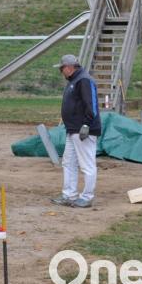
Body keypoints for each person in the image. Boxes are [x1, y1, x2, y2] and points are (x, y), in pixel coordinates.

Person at [51, 54, 102, 208]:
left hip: (83, 130)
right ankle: (69, 195)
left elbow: (91, 104)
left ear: (68, 67)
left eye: (61, 68)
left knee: (87, 164)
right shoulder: (74, 80)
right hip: (72, 130)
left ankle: (87, 197)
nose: (61, 72)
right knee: (68, 162)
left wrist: (86, 124)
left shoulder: (84, 80)